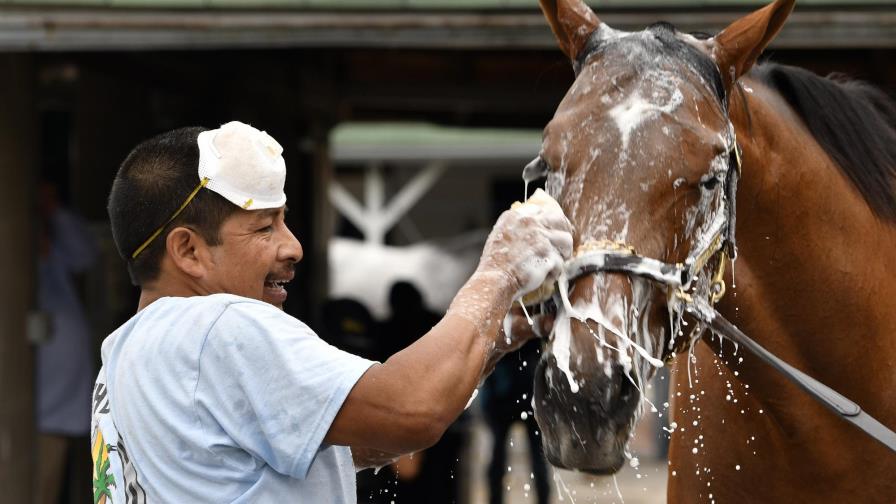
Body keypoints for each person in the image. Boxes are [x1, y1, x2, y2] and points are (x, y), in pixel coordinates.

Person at [90, 121, 573, 502]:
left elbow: (366, 441)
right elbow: (411, 411)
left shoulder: (120, 360)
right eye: (264, 228)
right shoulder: (220, 326)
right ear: (189, 251)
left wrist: (492, 337)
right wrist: (499, 270)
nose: (293, 246)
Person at [35, 180, 98, 504]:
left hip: (55, 406)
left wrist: (52, 211)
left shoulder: (55, 254)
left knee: (45, 486)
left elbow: (85, 255)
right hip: (28, 401)